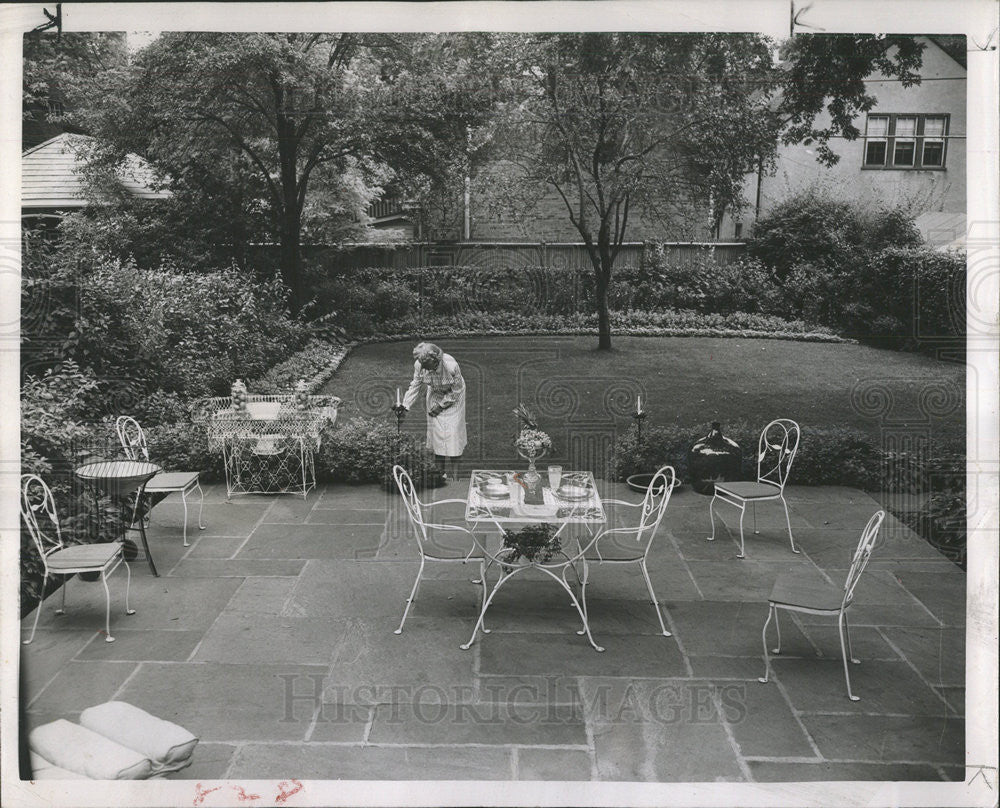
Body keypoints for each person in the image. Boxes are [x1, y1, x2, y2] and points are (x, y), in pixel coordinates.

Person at [402, 342, 467, 481]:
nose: (423, 367)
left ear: (435, 359)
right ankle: (440, 476)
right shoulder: (420, 365)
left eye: (426, 363)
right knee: (437, 435)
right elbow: (415, 386)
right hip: (435, 394)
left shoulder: (451, 365)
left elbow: (456, 391)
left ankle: (456, 479)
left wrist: (440, 406)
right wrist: (405, 406)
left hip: (454, 396)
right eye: (421, 363)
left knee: (453, 435)